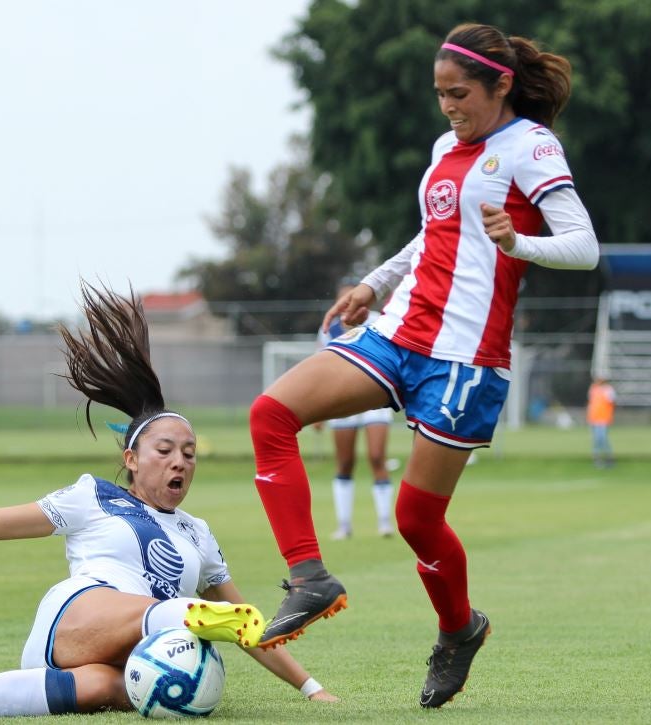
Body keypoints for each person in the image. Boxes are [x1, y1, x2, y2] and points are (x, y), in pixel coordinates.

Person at [249, 22, 599, 708]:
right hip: (396, 332)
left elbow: (583, 245)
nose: (449, 107)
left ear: (501, 85)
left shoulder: (530, 146)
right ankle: (309, 576)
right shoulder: (446, 148)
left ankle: (458, 628)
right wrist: (374, 283)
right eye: (440, 94)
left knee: (415, 518)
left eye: (460, 93)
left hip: (465, 360)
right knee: (272, 413)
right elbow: (432, 234)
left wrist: (519, 242)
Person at [0, 283, 335, 719]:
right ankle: (181, 616)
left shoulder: (197, 533)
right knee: (177, 614)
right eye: (164, 451)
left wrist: (312, 689)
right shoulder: (92, 496)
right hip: (73, 620)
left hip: (114, 661)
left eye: (188, 454)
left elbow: (246, 625)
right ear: (133, 458)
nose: (179, 462)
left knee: (111, 688)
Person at [316, 283, 395, 540]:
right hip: (343, 403)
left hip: (375, 400)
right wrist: (318, 410)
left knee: (376, 457)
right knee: (345, 462)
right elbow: (321, 367)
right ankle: (344, 526)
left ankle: (385, 523)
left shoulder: (377, 322)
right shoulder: (330, 328)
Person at [587, 376, 616, 468]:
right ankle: (597, 459)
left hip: (603, 417)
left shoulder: (608, 389)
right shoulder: (593, 388)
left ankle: (608, 458)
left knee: (602, 438)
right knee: (596, 439)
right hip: (594, 417)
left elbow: (612, 401)